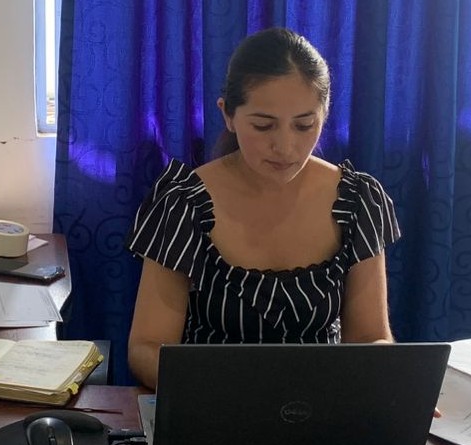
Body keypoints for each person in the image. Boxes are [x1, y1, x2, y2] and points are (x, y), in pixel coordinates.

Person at [126, 27, 400, 389]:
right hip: (215, 401)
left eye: (304, 125)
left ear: (324, 114)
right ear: (228, 115)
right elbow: (147, 347)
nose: (285, 147)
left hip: (321, 404)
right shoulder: (184, 202)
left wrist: (393, 379)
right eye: (263, 126)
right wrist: (228, 389)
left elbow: (369, 337)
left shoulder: (357, 200)